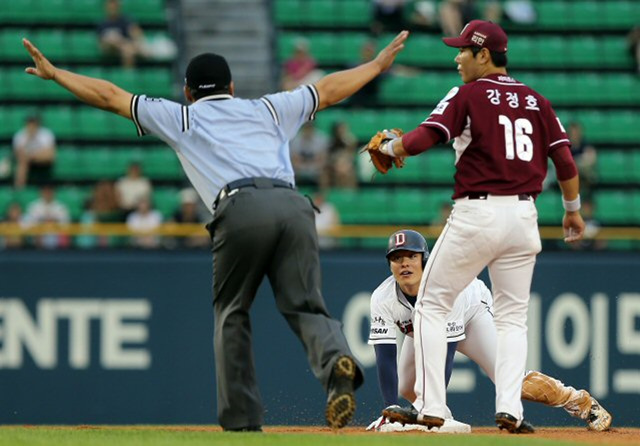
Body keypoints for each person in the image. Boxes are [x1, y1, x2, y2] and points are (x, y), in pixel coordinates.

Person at [21, 30, 410, 430]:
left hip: (239, 206)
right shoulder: (271, 108)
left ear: (188, 92)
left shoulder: (183, 117)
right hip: (294, 205)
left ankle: (242, 420)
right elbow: (327, 90)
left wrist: (57, 74)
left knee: (232, 312)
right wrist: (376, 67)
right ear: (233, 87)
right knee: (305, 305)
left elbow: (110, 95)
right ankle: (335, 364)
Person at [376, 20, 586, 434]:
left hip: (478, 212)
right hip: (525, 218)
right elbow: (564, 161)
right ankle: (510, 408)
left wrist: (390, 146)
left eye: (463, 51)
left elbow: (424, 137)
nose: (457, 57)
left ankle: (432, 406)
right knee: (512, 319)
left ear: (483, 54)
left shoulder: (470, 93)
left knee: (432, 305)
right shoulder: (537, 101)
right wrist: (573, 210)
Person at [368, 229, 612, 433]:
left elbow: (445, 353)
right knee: (407, 386)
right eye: (397, 258)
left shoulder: (446, 286)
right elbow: (385, 356)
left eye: (411, 256)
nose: (404, 263)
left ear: (425, 258)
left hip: (472, 315)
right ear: (389, 264)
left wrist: (431, 407)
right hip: (425, 327)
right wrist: (389, 409)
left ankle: (579, 402)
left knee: (512, 382)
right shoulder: (382, 297)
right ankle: (442, 418)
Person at [97, 0, 147, 68]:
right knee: (113, 39)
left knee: (128, 52)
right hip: (110, 49)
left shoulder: (125, 20)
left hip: (125, 48)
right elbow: (101, 44)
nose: (112, 8)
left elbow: (136, 33)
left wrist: (136, 41)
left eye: (115, 6)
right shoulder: (102, 23)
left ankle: (128, 76)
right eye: (110, 6)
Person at [12, 115, 56, 189]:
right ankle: (19, 188)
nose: (32, 126)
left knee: (46, 155)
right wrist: (28, 139)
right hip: (27, 161)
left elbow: (50, 154)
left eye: (34, 123)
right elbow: (18, 154)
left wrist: (32, 155)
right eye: (30, 123)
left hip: (43, 160)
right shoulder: (20, 135)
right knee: (22, 161)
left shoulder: (46, 134)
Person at [23, 184, 71, 249]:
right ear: (41, 193)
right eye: (45, 192)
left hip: (55, 236)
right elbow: (27, 225)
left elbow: (66, 225)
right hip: (38, 237)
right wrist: (41, 224)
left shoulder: (61, 207)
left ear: (53, 193)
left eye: (49, 192)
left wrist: (53, 223)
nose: (47, 194)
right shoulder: (34, 206)